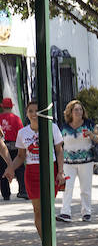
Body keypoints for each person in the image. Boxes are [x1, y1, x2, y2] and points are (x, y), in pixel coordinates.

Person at [3, 101, 65, 237]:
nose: (34, 114)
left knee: (48, 208)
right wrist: (10, 168)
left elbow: (59, 151)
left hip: (50, 170)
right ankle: (44, 241)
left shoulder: (52, 128)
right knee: (37, 210)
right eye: (30, 111)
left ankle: (50, 241)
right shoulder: (23, 133)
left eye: (37, 111)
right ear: (26, 113)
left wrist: (60, 172)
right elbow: (20, 156)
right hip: (31, 172)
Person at [59, 99, 98, 222]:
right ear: (70, 112)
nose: (78, 112)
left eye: (80, 109)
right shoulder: (64, 126)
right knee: (67, 187)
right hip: (68, 162)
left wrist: (91, 135)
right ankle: (65, 212)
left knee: (85, 188)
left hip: (86, 161)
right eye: (75, 110)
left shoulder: (89, 124)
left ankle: (86, 212)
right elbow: (59, 143)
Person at [0, 97, 26, 199]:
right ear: (11, 107)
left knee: (2, 170)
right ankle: (23, 190)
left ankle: (6, 194)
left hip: (2, 146)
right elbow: (21, 133)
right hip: (14, 146)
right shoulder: (16, 118)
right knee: (19, 168)